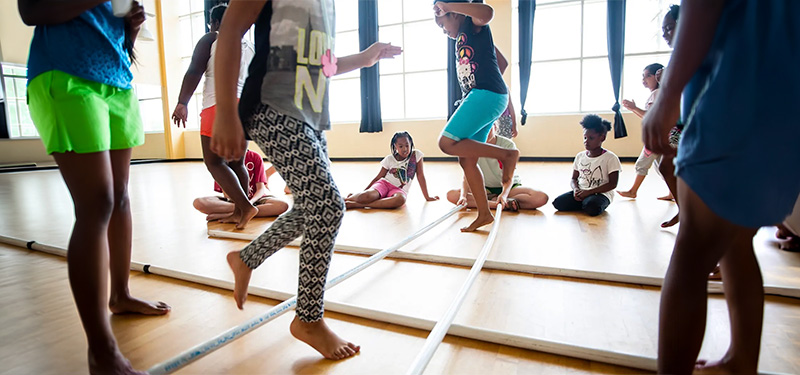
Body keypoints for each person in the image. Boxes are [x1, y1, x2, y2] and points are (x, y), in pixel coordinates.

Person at [211, 0, 402, 360]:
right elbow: (231, 29)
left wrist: (365, 58)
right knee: (329, 206)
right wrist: (225, 111)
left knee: (312, 208)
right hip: (272, 108)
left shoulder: (325, 6)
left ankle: (246, 258)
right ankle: (308, 319)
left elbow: (324, 66)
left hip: (309, 114)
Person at [642, 0, 800, 372]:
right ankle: (740, 359)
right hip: (786, 89)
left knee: (694, 247)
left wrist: (667, 95)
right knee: (736, 244)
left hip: (741, 86)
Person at [19, 1, 169, 374]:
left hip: (116, 80)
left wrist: (131, 28)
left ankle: (120, 294)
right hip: (65, 73)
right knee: (97, 202)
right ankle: (101, 350)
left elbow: (112, 34)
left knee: (119, 198)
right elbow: (31, 11)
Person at [433, 0, 520, 232]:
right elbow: (502, 62)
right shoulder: (468, 37)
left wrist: (449, 6)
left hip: (486, 94)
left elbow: (487, 12)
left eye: (443, 25)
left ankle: (507, 155)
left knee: (446, 143)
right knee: (467, 159)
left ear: (455, 14)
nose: (444, 32)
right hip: (485, 95)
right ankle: (484, 213)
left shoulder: (472, 25)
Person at [171, 3, 258, 230]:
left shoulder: (212, 38)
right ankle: (240, 212)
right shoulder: (251, 46)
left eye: (212, 23)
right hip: (245, 107)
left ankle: (246, 206)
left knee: (214, 162)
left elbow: (194, 71)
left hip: (218, 105)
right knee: (237, 162)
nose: (211, 26)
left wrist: (182, 102)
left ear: (217, 22)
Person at [447, 126, 547, 211]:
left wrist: (503, 194)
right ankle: (497, 204)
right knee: (452, 195)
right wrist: (463, 196)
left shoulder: (507, 145)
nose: (485, 133)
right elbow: (466, 176)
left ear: (495, 127)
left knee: (541, 197)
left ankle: (499, 201)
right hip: (485, 189)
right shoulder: (471, 145)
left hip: (509, 188)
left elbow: (509, 177)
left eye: (488, 129)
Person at [616, 63, 674, 201]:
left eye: (648, 76)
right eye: (643, 76)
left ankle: (633, 191)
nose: (644, 79)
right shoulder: (661, 94)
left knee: (642, 164)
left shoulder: (657, 93)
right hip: (663, 137)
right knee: (662, 166)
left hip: (657, 138)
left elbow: (651, 116)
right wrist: (634, 109)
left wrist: (634, 107)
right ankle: (673, 192)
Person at [345, 132, 438, 209]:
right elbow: (379, 177)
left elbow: (420, 176)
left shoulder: (416, 155)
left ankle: (358, 205)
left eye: (407, 145)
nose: (405, 149)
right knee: (364, 197)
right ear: (395, 146)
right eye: (401, 146)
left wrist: (427, 197)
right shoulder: (389, 159)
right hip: (384, 185)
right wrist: (364, 192)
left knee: (400, 200)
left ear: (411, 144)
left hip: (399, 190)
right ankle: (350, 199)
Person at [552, 115, 620, 217]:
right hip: (582, 192)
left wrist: (589, 192)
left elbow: (612, 184)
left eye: (591, 138)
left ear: (602, 138)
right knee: (558, 203)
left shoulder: (610, 158)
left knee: (592, 208)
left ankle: (588, 203)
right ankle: (585, 203)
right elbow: (573, 178)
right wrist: (575, 189)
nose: (586, 141)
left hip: (601, 194)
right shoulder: (580, 156)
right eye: (585, 137)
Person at [193, 149, 289, 220]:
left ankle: (236, 212)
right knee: (198, 203)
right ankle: (242, 211)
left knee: (282, 205)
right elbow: (225, 191)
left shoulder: (255, 156)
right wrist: (241, 204)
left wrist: (250, 203)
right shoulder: (221, 160)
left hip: (257, 200)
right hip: (234, 200)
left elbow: (260, 189)